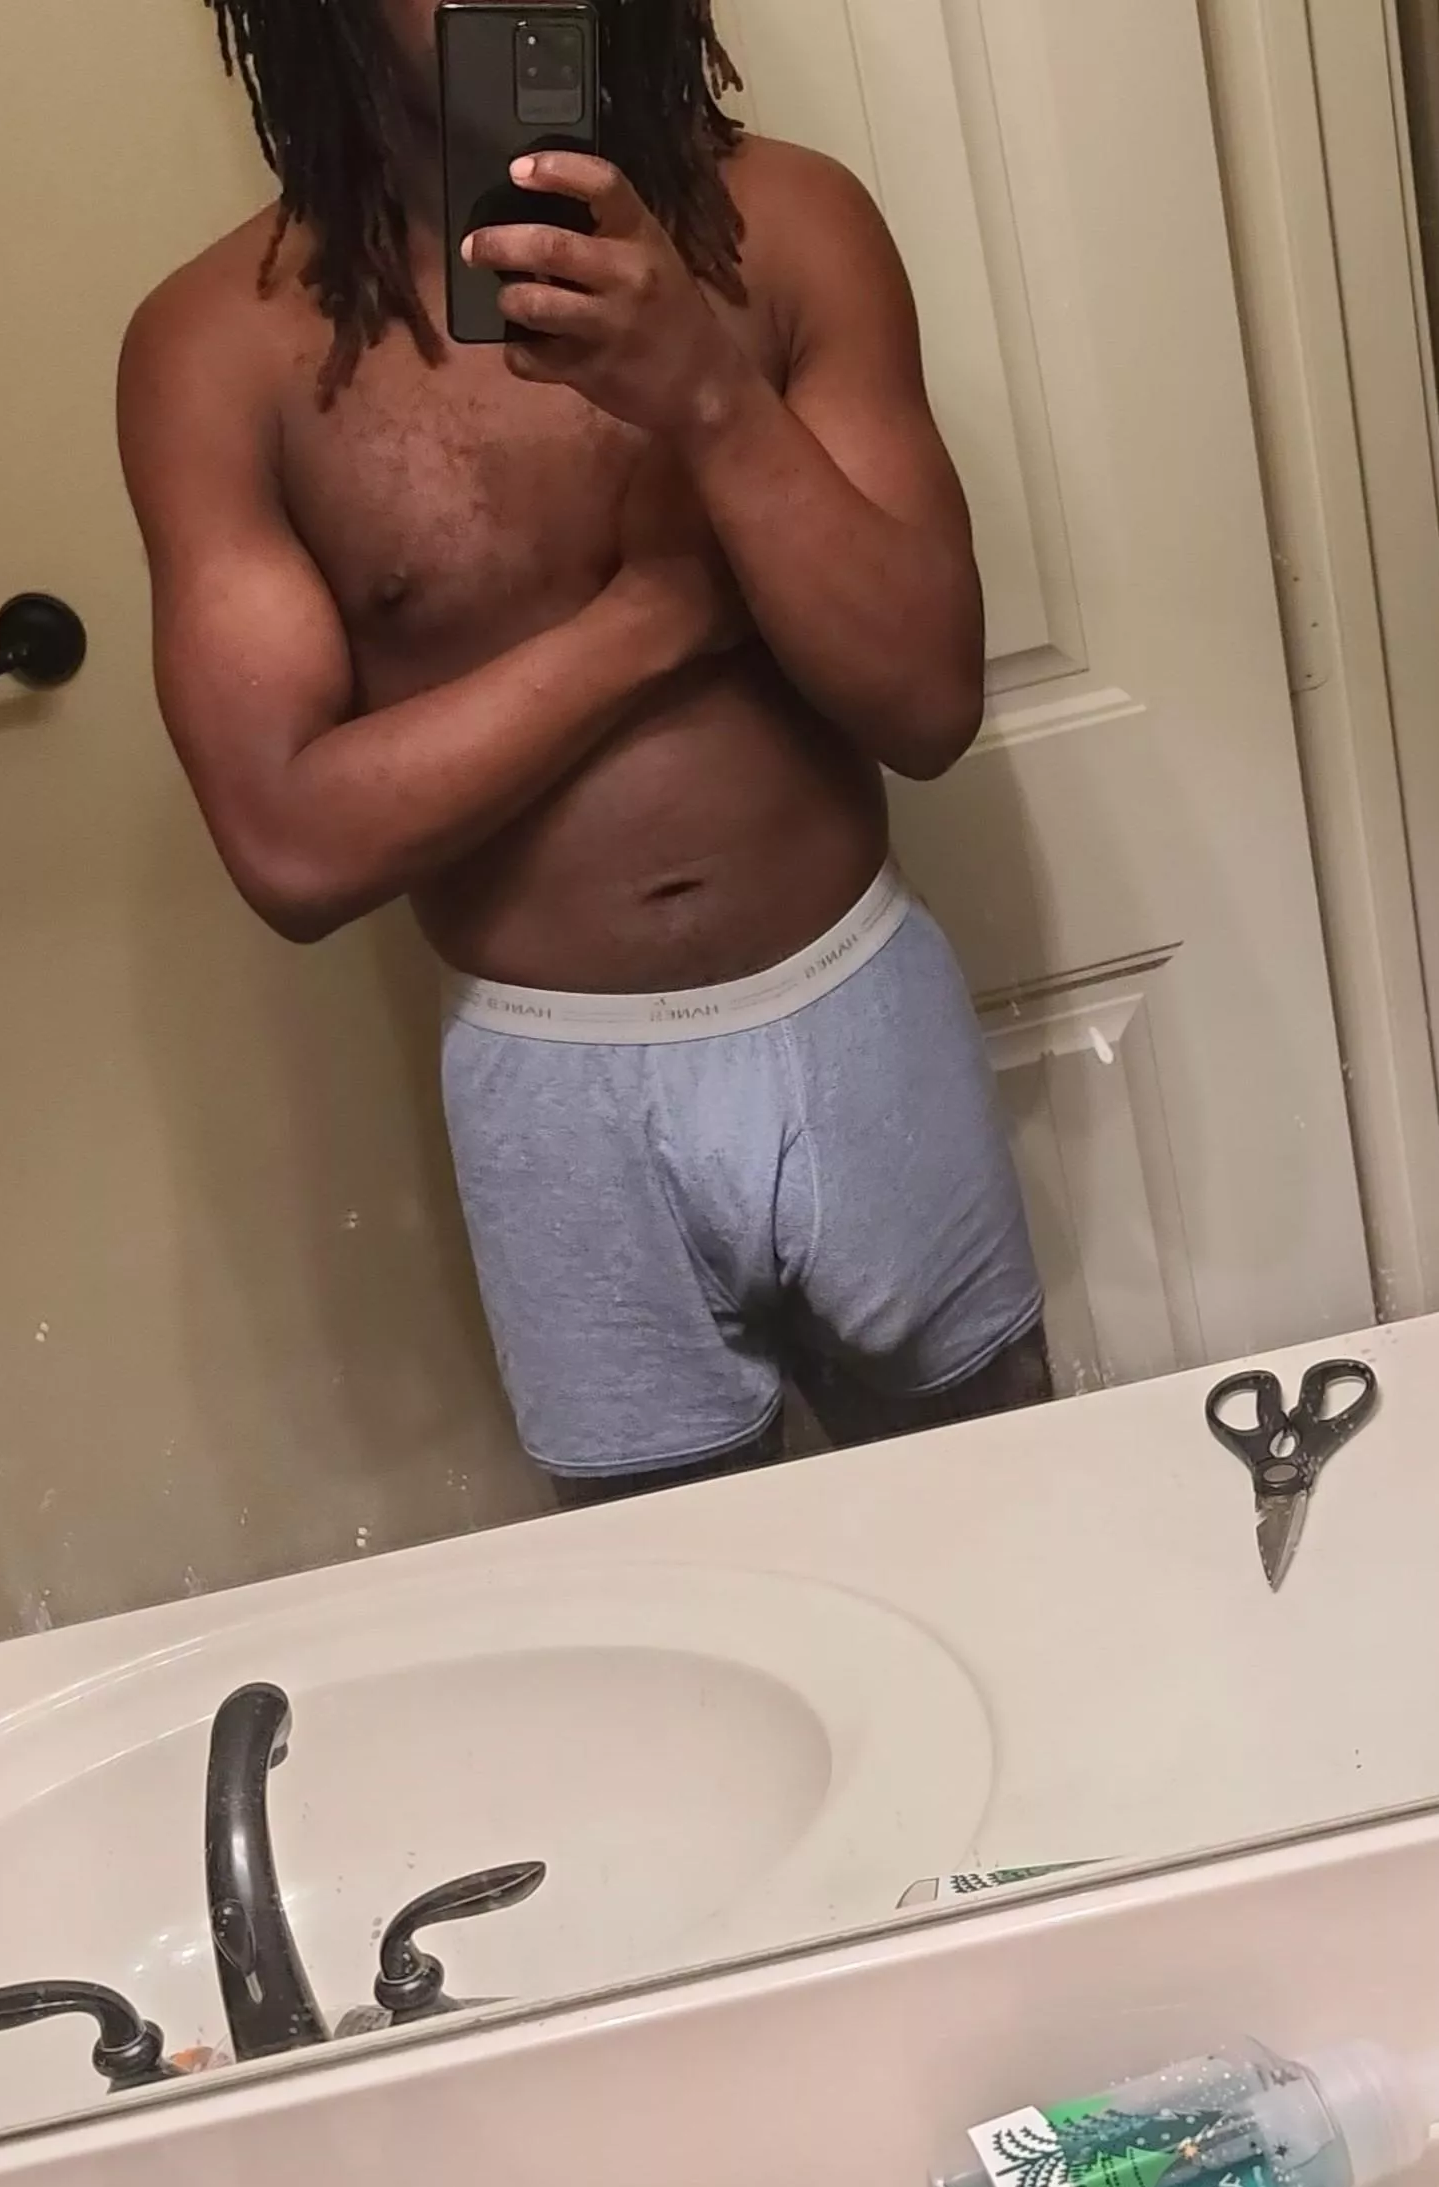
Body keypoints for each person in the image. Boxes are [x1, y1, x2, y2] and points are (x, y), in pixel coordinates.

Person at [120, 0, 1050, 1504]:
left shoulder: (790, 228)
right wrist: (656, 618)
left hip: (856, 1002)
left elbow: (928, 700)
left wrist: (711, 395)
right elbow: (289, 845)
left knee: (1011, 1508)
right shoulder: (217, 352)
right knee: (665, 1594)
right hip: (557, 1088)